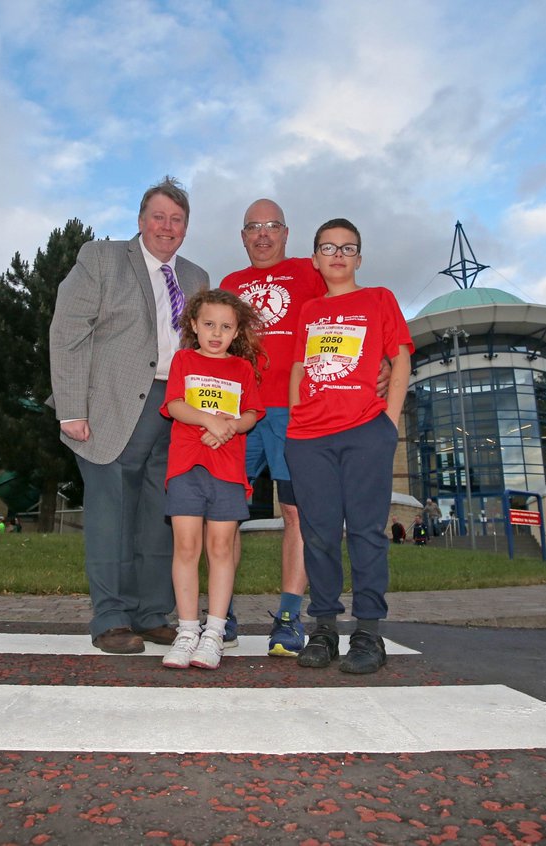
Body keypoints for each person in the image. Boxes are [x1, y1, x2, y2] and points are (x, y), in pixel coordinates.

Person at [50, 177, 209, 654]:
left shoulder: (198, 277)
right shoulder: (100, 259)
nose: (167, 227)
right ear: (141, 221)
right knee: (111, 517)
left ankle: (150, 612)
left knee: (163, 516)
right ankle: (112, 618)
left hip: (177, 410)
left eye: (177, 220)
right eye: (158, 217)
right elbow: (68, 332)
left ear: (186, 228)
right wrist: (72, 409)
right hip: (110, 410)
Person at [286, 218, 413, 675]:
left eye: (347, 247)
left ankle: (369, 632)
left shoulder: (379, 299)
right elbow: (301, 368)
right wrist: (297, 417)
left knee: (365, 532)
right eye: (328, 247)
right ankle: (323, 628)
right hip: (308, 438)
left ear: (359, 258)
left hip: (365, 432)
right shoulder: (310, 310)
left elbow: (400, 359)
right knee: (317, 534)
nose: (338, 255)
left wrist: (388, 422)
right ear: (316, 258)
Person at [219, 198, 326, 657]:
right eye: (253, 227)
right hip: (236, 413)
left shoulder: (309, 272)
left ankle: (288, 617)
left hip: (292, 409)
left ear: (286, 232)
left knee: (296, 513)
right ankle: (220, 614)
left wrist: (380, 363)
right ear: (242, 237)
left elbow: (345, 317)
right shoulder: (230, 285)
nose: (262, 234)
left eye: (272, 226)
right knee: (222, 513)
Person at [160, 290, 265, 670]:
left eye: (225, 326)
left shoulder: (242, 370)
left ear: (236, 331)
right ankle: (187, 631)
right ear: (193, 325)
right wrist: (210, 420)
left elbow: (252, 414)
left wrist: (230, 427)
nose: (216, 333)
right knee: (186, 548)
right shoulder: (184, 360)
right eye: (208, 325)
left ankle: (215, 633)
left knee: (221, 550)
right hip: (187, 467)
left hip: (228, 471)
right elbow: (174, 405)